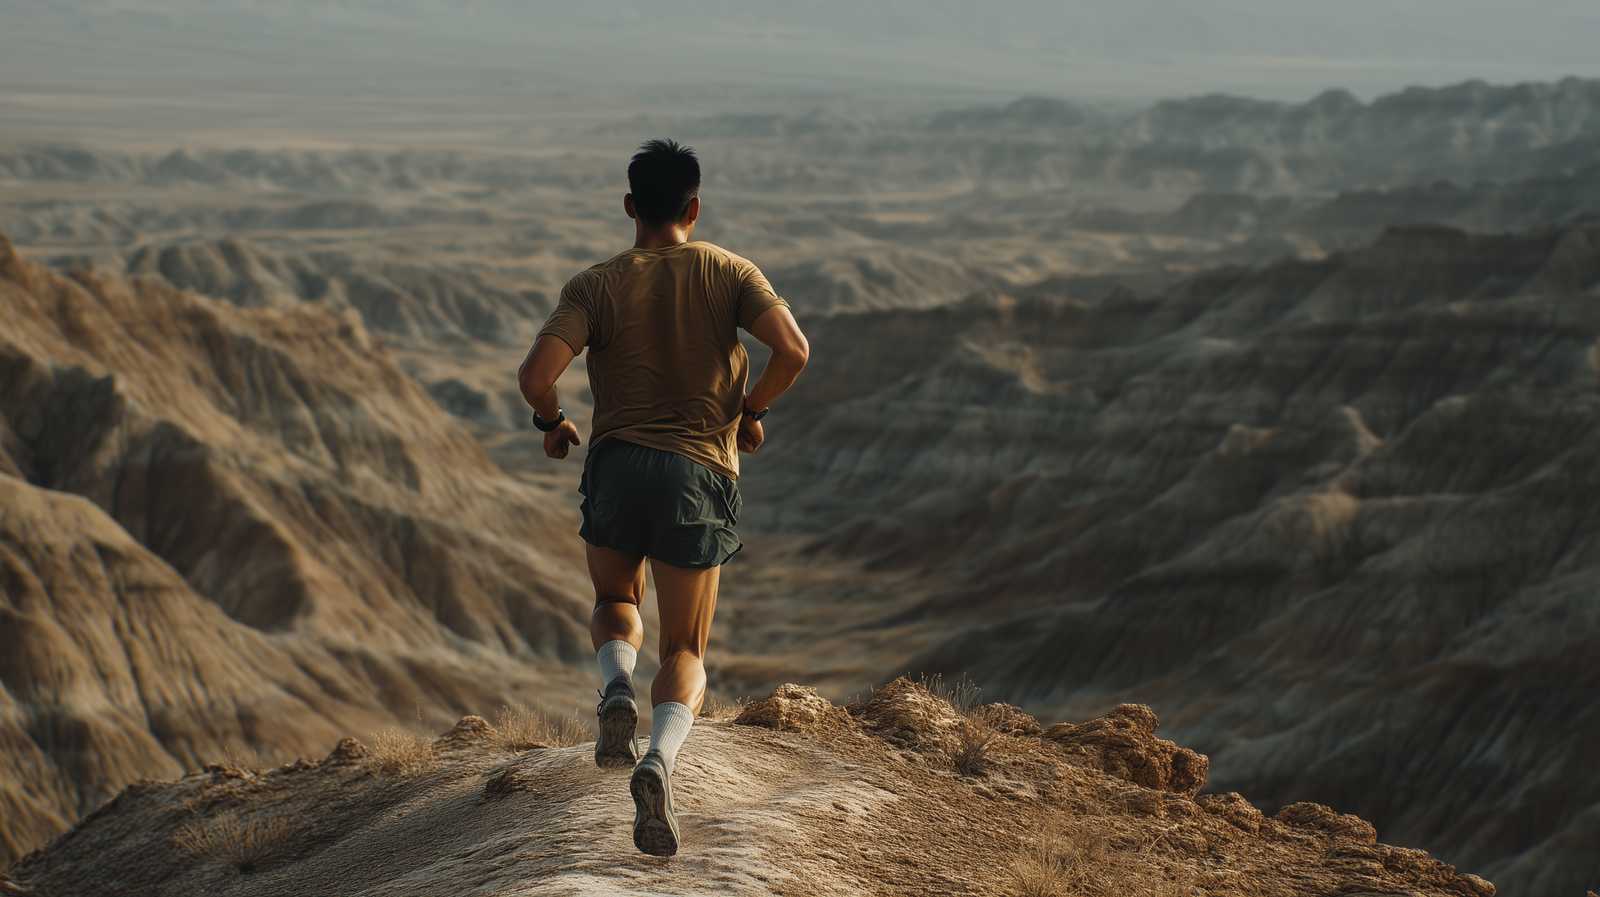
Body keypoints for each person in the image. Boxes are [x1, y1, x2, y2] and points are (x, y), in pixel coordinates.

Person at [516, 139, 809, 857]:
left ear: (629, 208)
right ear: (695, 208)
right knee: (684, 645)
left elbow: (534, 375)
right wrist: (752, 413)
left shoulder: (595, 285)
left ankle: (615, 685)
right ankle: (660, 760)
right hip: (697, 474)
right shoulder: (731, 271)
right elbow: (793, 350)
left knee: (615, 600)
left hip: (615, 469)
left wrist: (553, 423)